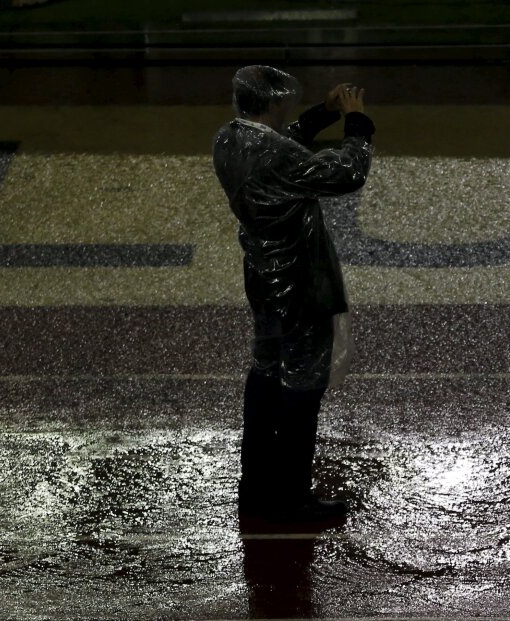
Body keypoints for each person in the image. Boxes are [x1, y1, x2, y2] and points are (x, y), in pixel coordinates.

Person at [212, 65, 374, 524]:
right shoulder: (274, 154)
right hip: (300, 285)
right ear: (273, 104)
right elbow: (347, 173)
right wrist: (357, 124)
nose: (289, 110)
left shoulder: (228, 138)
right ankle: (292, 498)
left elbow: (285, 143)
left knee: (264, 378)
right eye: (286, 103)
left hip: (263, 280)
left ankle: (257, 489)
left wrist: (323, 114)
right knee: (303, 388)